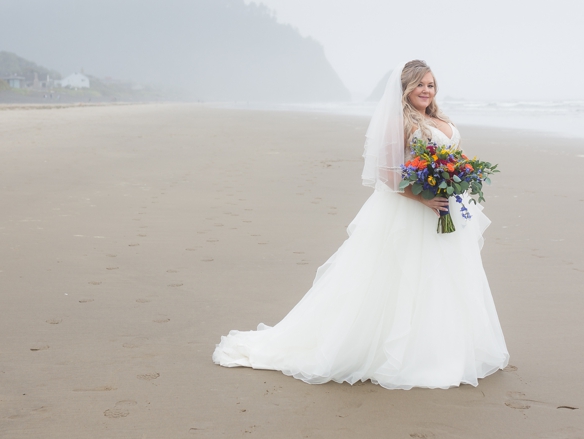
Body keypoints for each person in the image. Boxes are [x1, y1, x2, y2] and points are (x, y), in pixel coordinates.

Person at [213, 60, 510, 390]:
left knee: (445, 276)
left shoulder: (439, 119)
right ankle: (402, 353)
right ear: (405, 89)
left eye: (430, 85)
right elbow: (387, 174)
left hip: (447, 206)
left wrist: (460, 176)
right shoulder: (400, 122)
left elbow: (454, 157)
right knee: (405, 277)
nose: (426, 90)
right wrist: (424, 199)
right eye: (419, 85)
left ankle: (445, 350)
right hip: (413, 210)